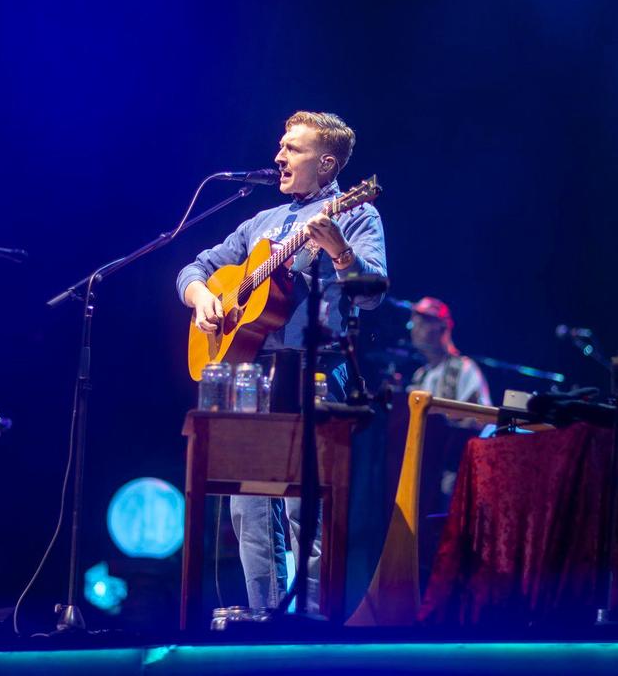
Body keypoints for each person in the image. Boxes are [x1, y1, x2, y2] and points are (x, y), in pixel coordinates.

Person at [176, 111, 387, 612]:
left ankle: (308, 628)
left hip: (313, 372)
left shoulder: (355, 212)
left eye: (293, 149)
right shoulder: (260, 222)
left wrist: (339, 254)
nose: (279, 157)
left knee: (302, 508)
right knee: (247, 510)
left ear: (327, 163)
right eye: (281, 146)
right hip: (250, 375)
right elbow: (193, 267)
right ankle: (265, 621)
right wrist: (201, 296)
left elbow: (374, 290)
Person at [407, 297, 492, 501]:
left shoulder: (464, 368)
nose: (415, 328)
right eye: (414, 322)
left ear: (443, 327)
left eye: (424, 322)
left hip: (453, 473)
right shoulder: (421, 375)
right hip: (424, 472)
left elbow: (483, 421)